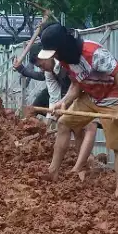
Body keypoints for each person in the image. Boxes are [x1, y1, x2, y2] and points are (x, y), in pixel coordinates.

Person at [37, 22, 118, 196]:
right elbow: (76, 83)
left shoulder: (94, 53)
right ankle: (53, 171)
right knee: (63, 123)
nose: (54, 56)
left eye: (54, 52)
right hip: (90, 96)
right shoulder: (64, 60)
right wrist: (64, 102)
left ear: (63, 47)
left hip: (110, 97)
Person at [13, 39, 98, 180]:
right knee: (71, 126)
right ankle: (71, 168)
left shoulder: (67, 61)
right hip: (72, 91)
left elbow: (77, 85)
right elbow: (54, 95)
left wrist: (66, 104)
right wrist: (53, 114)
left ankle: (80, 167)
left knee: (89, 126)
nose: (42, 69)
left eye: (41, 64)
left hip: (91, 89)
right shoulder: (49, 71)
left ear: (48, 57)